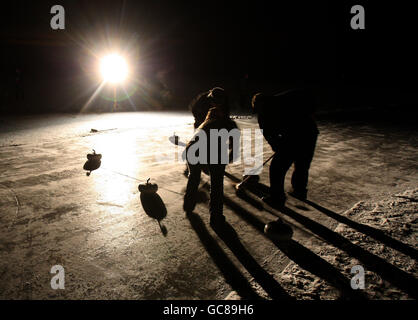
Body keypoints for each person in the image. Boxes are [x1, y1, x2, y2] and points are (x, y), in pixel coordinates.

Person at [251, 88, 319, 208]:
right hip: (309, 134)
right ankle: (299, 191)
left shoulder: (264, 113)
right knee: (302, 164)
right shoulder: (283, 98)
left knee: (277, 168)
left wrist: (278, 146)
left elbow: (269, 134)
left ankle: (277, 198)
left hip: (301, 135)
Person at [184, 88, 239, 228]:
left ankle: (188, 205)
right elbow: (234, 150)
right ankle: (216, 217)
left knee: (194, 177)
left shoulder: (205, 123)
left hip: (192, 149)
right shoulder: (229, 124)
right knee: (216, 184)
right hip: (205, 150)